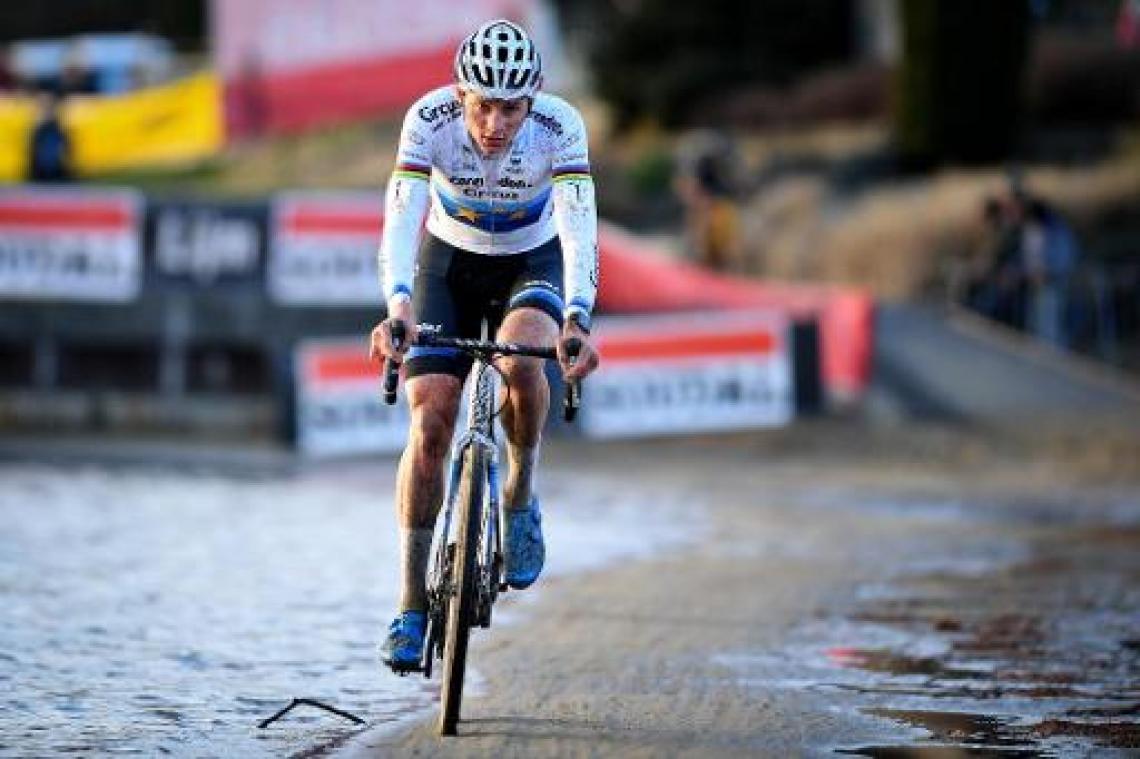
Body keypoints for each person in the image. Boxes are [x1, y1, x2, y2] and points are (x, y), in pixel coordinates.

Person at [368, 19, 601, 672]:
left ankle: (521, 494)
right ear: (459, 93)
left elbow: (579, 228)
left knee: (524, 362)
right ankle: (411, 602)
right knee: (430, 418)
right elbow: (400, 215)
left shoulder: (560, 128)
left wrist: (578, 318)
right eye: (482, 105)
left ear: (535, 100)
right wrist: (397, 307)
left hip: (532, 264)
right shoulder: (428, 119)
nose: (495, 124)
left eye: (511, 108)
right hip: (447, 266)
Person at [27, 92, 74, 183]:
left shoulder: (60, 129)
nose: (47, 111)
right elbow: (32, 153)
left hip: (60, 174)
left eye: (49, 108)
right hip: (38, 175)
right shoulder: (36, 130)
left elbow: (67, 151)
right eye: (44, 107)